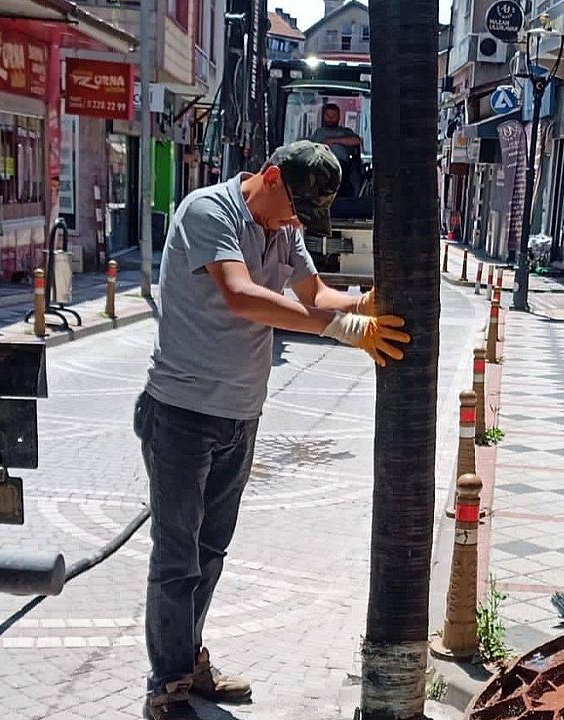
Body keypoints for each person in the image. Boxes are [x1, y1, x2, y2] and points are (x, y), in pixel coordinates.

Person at [134, 141, 409, 720]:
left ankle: (187, 660)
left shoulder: (285, 227)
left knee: (211, 550)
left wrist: (365, 302)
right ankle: (167, 684)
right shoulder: (210, 212)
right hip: (181, 413)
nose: (295, 223)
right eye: (294, 209)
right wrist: (341, 328)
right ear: (272, 176)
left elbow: (316, 294)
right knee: (177, 556)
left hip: (241, 413)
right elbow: (242, 297)